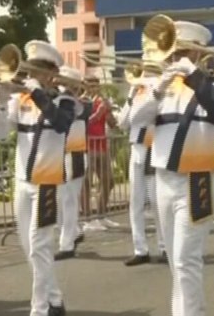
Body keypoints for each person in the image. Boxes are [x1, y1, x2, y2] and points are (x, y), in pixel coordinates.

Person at [126, 19, 214, 316]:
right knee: (177, 259)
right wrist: (157, 88)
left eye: (181, 52)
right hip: (164, 177)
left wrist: (194, 76)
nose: (174, 58)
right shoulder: (162, 86)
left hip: (199, 178)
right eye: (172, 52)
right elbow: (132, 120)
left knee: (186, 256)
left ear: (196, 53)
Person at [0, 40, 77, 316]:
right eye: (30, 67)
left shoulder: (66, 99)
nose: (31, 73)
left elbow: (61, 123)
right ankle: (54, 300)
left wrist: (37, 92)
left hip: (48, 180)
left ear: (52, 73)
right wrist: (1, 100)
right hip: (23, 180)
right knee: (29, 247)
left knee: (39, 245)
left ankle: (39, 312)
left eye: (38, 69)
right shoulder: (21, 99)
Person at [117, 65, 166, 266]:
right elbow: (122, 122)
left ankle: (164, 246)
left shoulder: (157, 89)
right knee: (135, 201)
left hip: (153, 145)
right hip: (137, 147)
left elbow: (146, 113)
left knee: (156, 201)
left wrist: (144, 89)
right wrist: (130, 96)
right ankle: (140, 248)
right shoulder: (138, 92)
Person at [56, 66, 93, 260]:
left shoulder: (83, 103)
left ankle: (67, 244)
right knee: (61, 201)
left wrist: (73, 92)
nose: (59, 84)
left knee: (69, 201)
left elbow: (80, 111)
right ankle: (74, 232)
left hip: (76, 155)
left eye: (63, 81)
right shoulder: (58, 101)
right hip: (59, 155)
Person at [82, 79, 117, 231]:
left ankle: (101, 215)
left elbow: (113, 124)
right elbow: (82, 123)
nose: (94, 87)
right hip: (87, 146)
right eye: (90, 84)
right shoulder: (82, 101)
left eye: (96, 85)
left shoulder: (101, 101)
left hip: (102, 146)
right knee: (87, 183)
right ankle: (88, 219)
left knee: (108, 181)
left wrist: (108, 111)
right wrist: (97, 114)